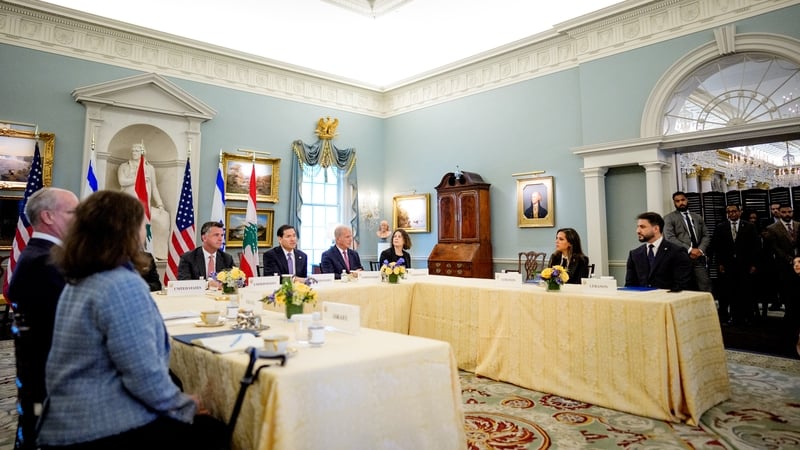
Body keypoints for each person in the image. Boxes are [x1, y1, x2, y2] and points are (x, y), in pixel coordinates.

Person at [37, 190, 225, 449]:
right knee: (216, 429)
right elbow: (143, 375)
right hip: (102, 423)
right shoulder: (121, 284)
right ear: (126, 231)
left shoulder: (81, 278)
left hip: (68, 414)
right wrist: (185, 405)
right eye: (142, 225)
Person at [7, 187, 79, 450]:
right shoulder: (45, 262)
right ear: (48, 217)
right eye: (73, 211)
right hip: (53, 382)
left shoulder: (42, 255)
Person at [117, 142, 169, 260]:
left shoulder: (149, 168)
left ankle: (149, 252)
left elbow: (154, 187)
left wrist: (160, 203)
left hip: (144, 203)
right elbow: (122, 181)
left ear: (142, 152)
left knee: (148, 226)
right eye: (133, 150)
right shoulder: (124, 166)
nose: (134, 153)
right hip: (128, 202)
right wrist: (138, 178)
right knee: (128, 227)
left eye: (137, 150)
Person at [711, 204, 759, 325]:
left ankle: (747, 317)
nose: (732, 213)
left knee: (745, 291)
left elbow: (756, 247)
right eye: (729, 212)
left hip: (745, 265)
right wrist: (720, 264)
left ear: (740, 212)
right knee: (729, 292)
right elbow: (717, 247)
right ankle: (731, 317)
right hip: (727, 265)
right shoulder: (721, 227)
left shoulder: (749, 226)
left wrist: (754, 264)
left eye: (734, 211)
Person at [625, 212, 691, 291]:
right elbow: (630, 286)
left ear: (656, 229)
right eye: (638, 227)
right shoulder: (634, 254)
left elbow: (681, 285)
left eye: (642, 227)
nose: (638, 231)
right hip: (642, 300)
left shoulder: (677, 252)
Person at [663, 191, 711, 291]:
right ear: (674, 203)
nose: (681, 203)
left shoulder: (697, 217)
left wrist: (700, 250)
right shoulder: (669, 218)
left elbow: (706, 235)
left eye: (683, 200)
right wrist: (690, 250)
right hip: (681, 258)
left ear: (687, 200)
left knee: (705, 285)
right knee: (684, 288)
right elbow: (670, 238)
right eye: (677, 201)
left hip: (698, 257)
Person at [764, 204, 799, 326]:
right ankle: (789, 316)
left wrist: (798, 259)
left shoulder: (798, 225)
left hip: (799, 263)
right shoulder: (772, 228)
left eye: (789, 212)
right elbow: (775, 248)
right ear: (779, 213)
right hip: (784, 265)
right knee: (787, 291)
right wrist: (790, 260)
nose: (787, 214)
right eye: (784, 212)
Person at [177, 221, 234, 288]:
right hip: (196, 297)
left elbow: (236, 280)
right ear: (204, 238)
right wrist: (207, 284)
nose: (220, 239)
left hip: (220, 296)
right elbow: (184, 283)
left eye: (222, 235)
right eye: (216, 235)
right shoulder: (188, 258)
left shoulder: (227, 258)